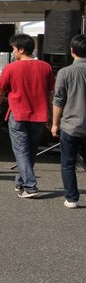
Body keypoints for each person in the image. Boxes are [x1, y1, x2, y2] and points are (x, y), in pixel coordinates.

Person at [0, 34, 54, 198]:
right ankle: (21, 181)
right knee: (31, 150)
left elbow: (0, 93)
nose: (13, 52)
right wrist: (50, 114)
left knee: (21, 151)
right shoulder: (45, 67)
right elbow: (50, 93)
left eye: (13, 49)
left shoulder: (11, 68)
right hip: (39, 114)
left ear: (20, 49)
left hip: (18, 113)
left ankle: (30, 186)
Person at [51, 34, 86, 208]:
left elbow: (59, 100)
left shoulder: (65, 72)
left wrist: (54, 124)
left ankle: (72, 198)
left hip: (71, 124)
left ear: (72, 51)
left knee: (68, 163)